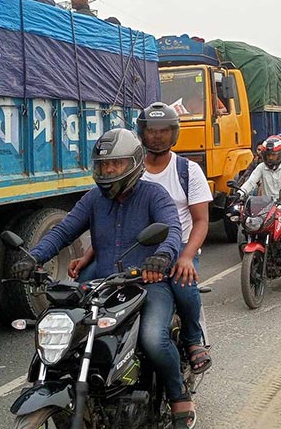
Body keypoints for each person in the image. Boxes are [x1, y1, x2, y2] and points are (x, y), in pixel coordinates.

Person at [20, 128, 196, 429]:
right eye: (103, 166)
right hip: (103, 284)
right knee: (69, 329)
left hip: (147, 283)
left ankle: (179, 396)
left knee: (153, 339)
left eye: (115, 165)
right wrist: (34, 257)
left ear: (133, 164)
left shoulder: (154, 195)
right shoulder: (92, 200)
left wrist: (161, 259)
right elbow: (64, 231)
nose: (108, 171)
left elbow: (170, 230)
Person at [73, 104, 213, 374]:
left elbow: (201, 221)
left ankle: (194, 340)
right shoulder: (128, 165)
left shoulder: (188, 170)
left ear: (174, 134)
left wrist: (185, 256)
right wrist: (90, 254)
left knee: (183, 283)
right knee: (85, 285)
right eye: (151, 131)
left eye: (164, 131)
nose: (157, 137)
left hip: (178, 243)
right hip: (133, 245)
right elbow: (112, 220)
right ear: (141, 133)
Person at [238, 136, 281, 276]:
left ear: (280, 154)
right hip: (267, 206)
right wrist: (239, 194)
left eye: (274, 155)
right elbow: (250, 182)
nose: (271, 158)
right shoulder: (261, 167)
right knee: (253, 225)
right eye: (268, 155)